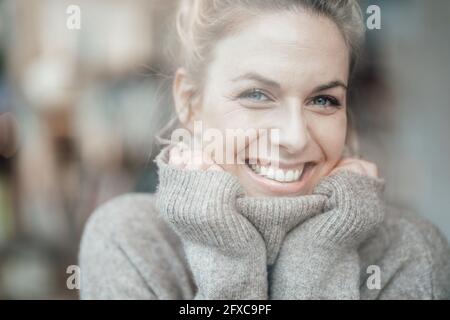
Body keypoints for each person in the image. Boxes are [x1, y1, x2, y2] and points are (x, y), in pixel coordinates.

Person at [79, 0, 450, 299]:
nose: (294, 137)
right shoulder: (130, 241)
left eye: (323, 100)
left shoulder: (409, 251)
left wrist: (319, 252)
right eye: (257, 95)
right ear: (190, 102)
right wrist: (226, 250)